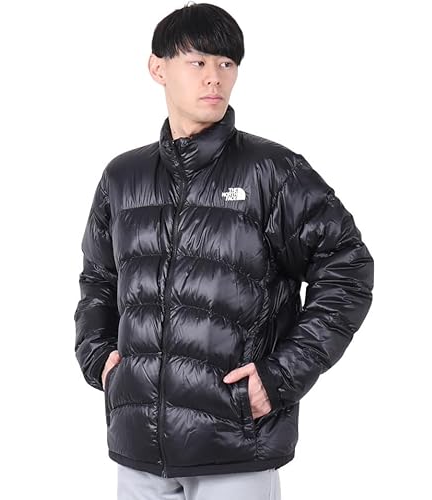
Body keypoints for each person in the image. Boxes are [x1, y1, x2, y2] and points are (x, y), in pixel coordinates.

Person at [74, 2, 374, 499]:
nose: (214, 76)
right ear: (158, 68)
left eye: (227, 63)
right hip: (137, 446)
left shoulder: (272, 171)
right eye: (198, 61)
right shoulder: (122, 177)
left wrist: (280, 377)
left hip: (236, 443)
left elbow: (348, 269)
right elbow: (99, 278)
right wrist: (96, 355)